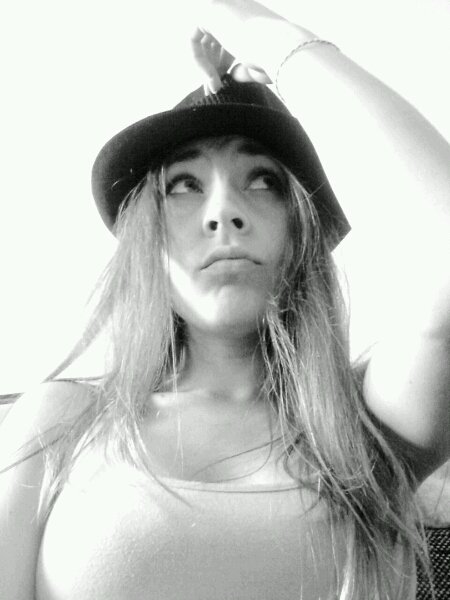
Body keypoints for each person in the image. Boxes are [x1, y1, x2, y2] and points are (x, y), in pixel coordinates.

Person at [1, 1, 449, 598]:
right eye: (184, 185)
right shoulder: (61, 422)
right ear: (147, 241)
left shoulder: (369, 429)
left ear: (301, 231)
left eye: (263, 181)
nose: (223, 212)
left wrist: (262, 30)